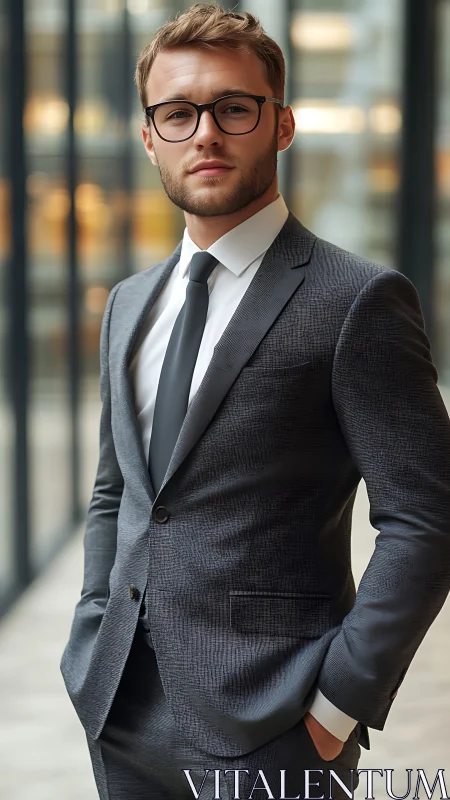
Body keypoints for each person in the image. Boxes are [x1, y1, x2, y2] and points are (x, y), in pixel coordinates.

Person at [60, 4, 450, 799]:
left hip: (276, 726)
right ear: (149, 139)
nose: (204, 132)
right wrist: (91, 629)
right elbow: (117, 495)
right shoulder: (129, 304)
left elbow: (426, 518)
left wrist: (337, 706)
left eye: (233, 108)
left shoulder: (357, 300)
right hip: (119, 709)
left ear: (281, 125)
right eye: (178, 113)